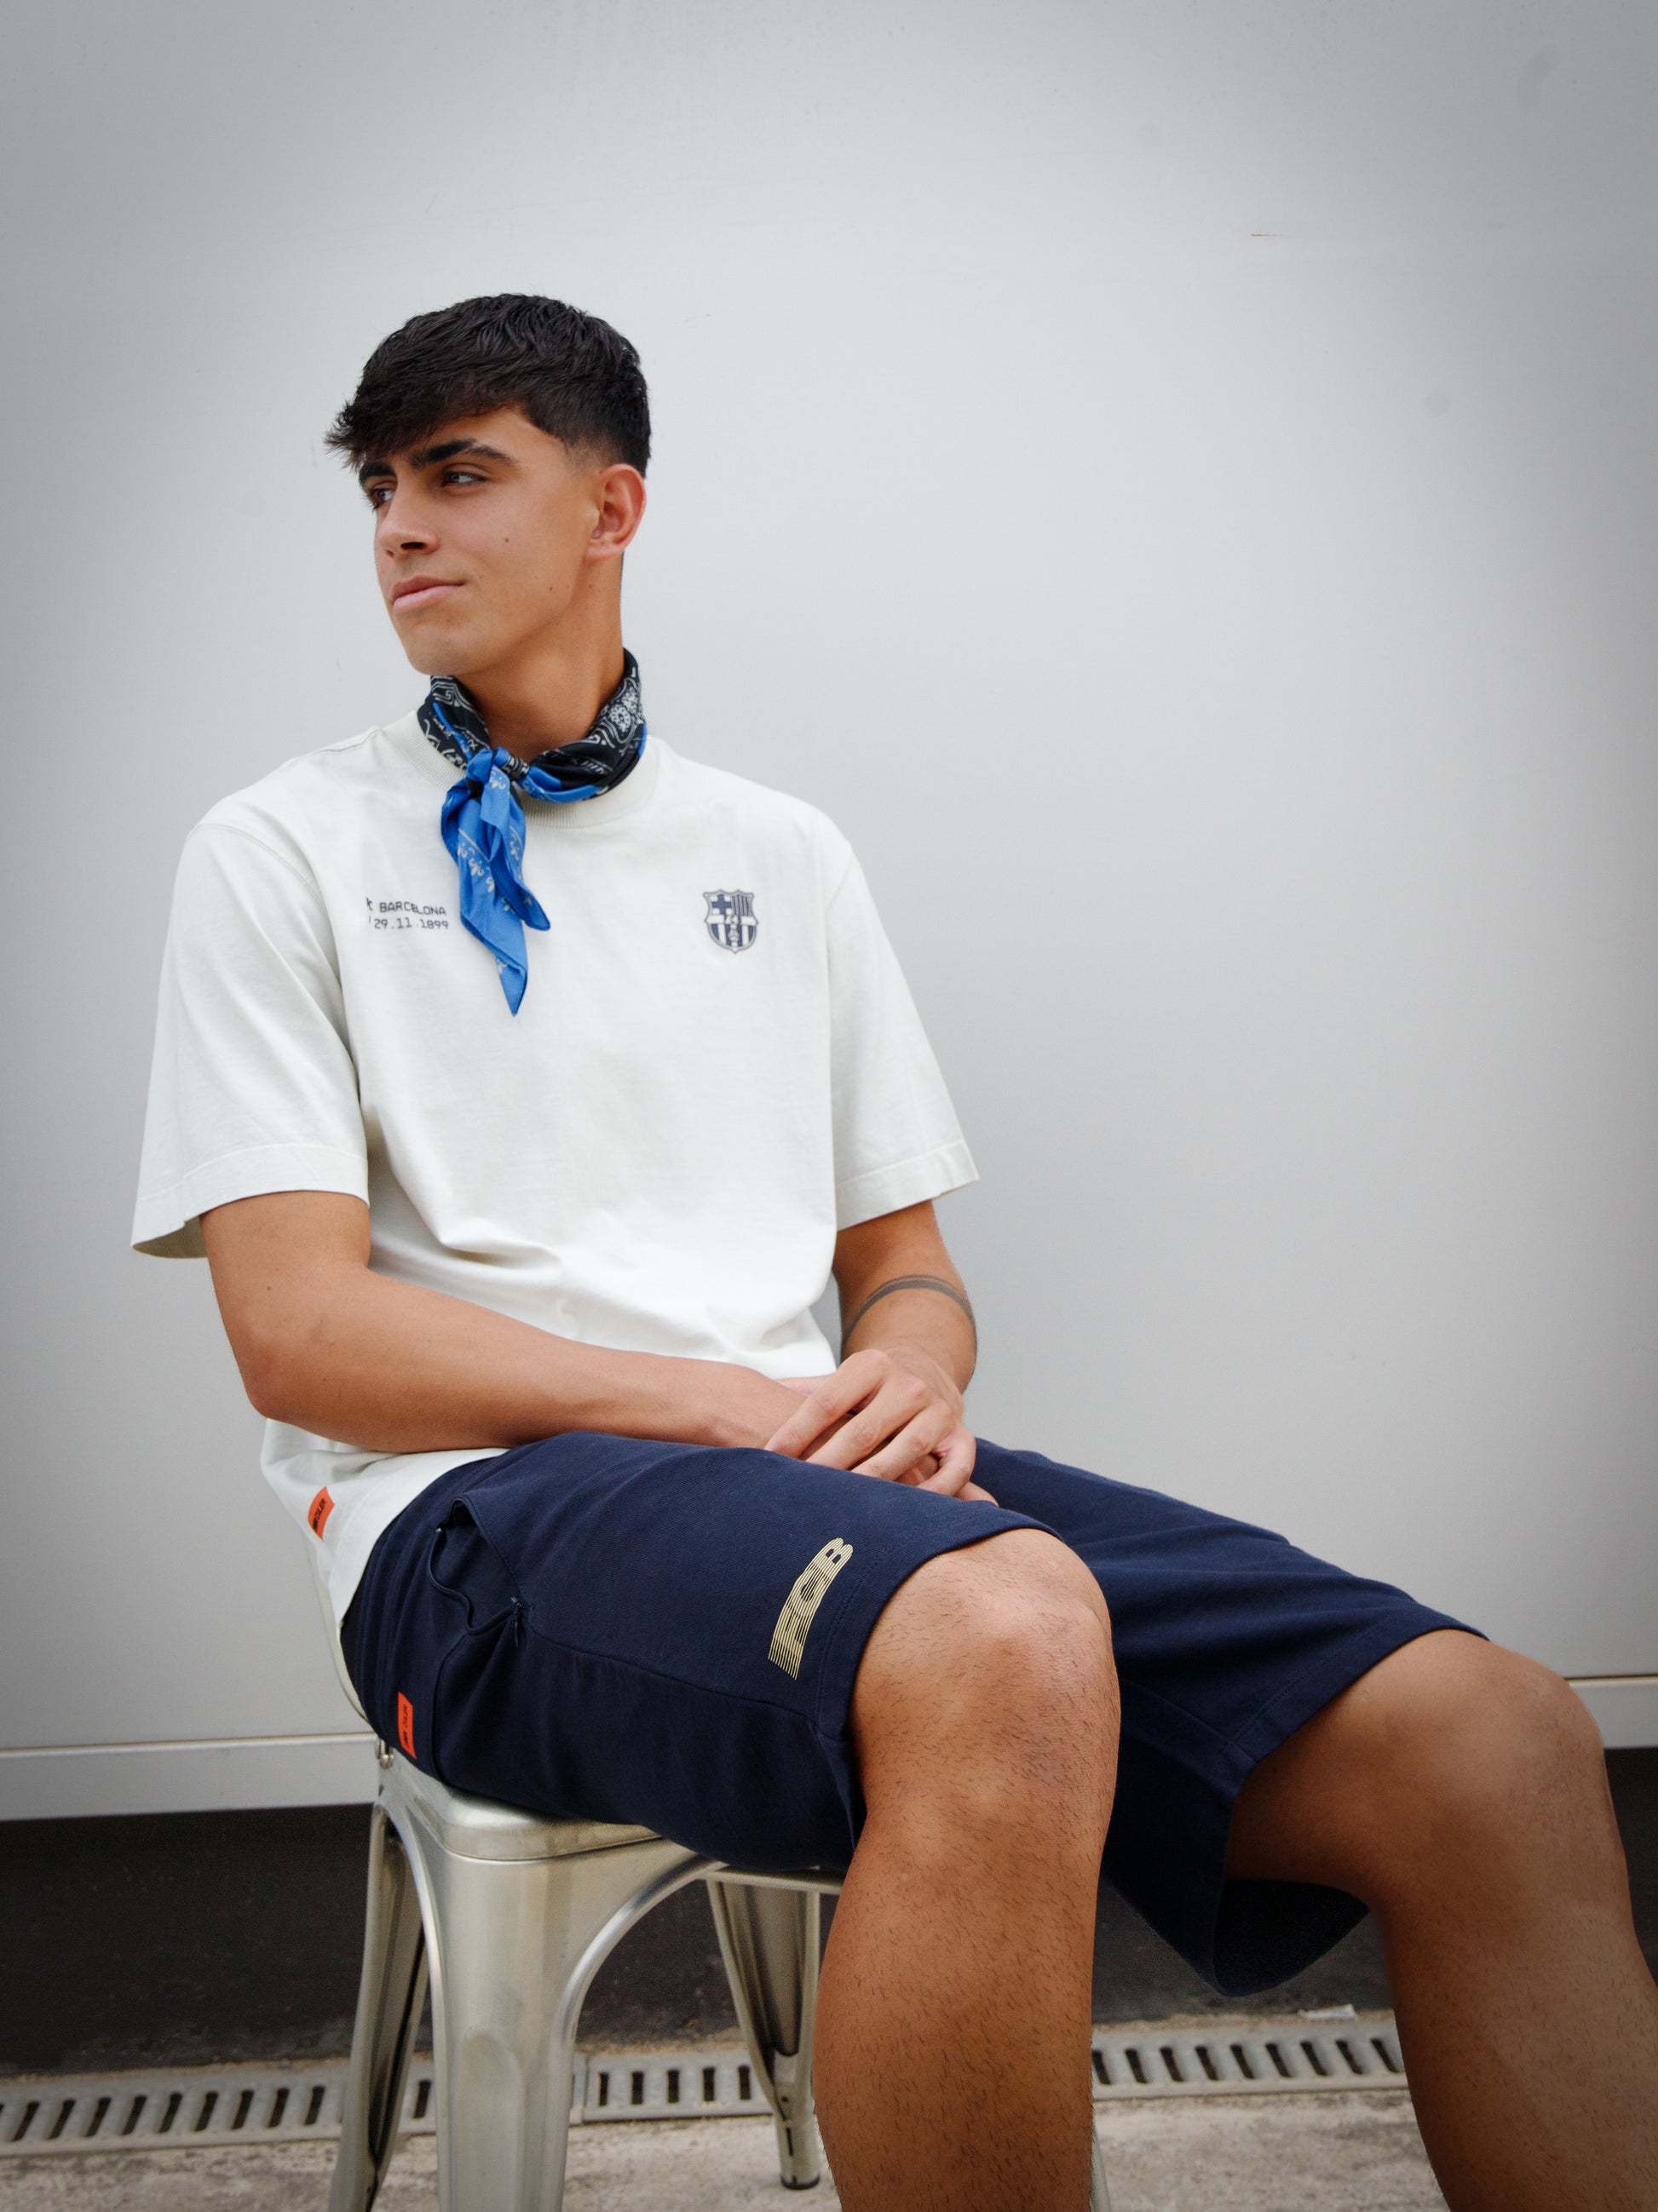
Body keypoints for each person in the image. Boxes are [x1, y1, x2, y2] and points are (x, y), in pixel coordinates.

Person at [133, 294, 1657, 2212]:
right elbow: (298, 1338)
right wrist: (710, 1404)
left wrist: (915, 1374)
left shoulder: (779, 854)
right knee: (1004, 1631)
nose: (401, 531)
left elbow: (906, 1269)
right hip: (469, 1520)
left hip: (793, 1473)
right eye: (381, 487)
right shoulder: (277, 850)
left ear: (612, 507)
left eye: (459, 473)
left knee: (1492, 1744)